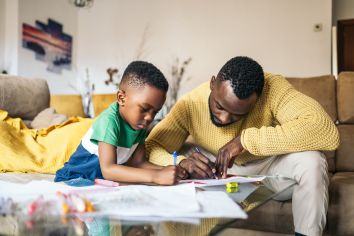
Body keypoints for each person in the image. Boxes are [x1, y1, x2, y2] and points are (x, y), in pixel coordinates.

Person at [145, 56, 340, 235]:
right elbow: (151, 146)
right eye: (219, 106)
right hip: (219, 171)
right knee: (184, 154)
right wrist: (180, 162)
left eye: (237, 114)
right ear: (213, 84)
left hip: (271, 167)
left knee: (311, 160)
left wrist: (244, 141)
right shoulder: (190, 103)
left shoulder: (273, 87)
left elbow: (325, 130)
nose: (223, 118)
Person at [55, 61, 186, 185]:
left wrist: (166, 170)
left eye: (155, 112)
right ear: (121, 98)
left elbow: (138, 163)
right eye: (145, 109)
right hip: (73, 180)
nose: (149, 117)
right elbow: (109, 170)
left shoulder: (139, 124)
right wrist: (156, 177)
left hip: (99, 183)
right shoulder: (109, 122)